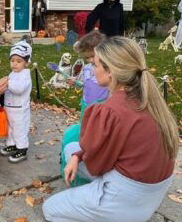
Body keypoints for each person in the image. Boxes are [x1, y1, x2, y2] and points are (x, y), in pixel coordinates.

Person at [43, 36, 179, 222]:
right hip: (152, 193)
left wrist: (81, 156)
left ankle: (97, 206)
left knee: (50, 209)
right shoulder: (150, 99)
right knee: (71, 150)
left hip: (127, 199)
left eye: (96, 64)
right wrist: (77, 156)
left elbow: (96, 165)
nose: (91, 68)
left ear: (111, 73)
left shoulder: (110, 109)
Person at [60, 30, 109, 186]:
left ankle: (90, 165)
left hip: (100, 106)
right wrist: (76, 82)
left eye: (92, 56)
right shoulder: (88, 68)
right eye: (87, 57)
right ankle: (74, 161)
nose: (89, 60)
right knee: (82, 132)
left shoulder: (107, 70)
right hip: (86, 105)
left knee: (94, 136)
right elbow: (85, 83)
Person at [0, 41, 32, 163]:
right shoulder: (12, 74)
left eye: (19, 61)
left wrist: (7, 82)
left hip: (20, 110)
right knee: (11, 128)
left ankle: (22, 149)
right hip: (10, 107)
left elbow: (18, 89)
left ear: (26, 63)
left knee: (19, 129)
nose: (15, 64)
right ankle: (12, 144)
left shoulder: (25, 75)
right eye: (12, 60)